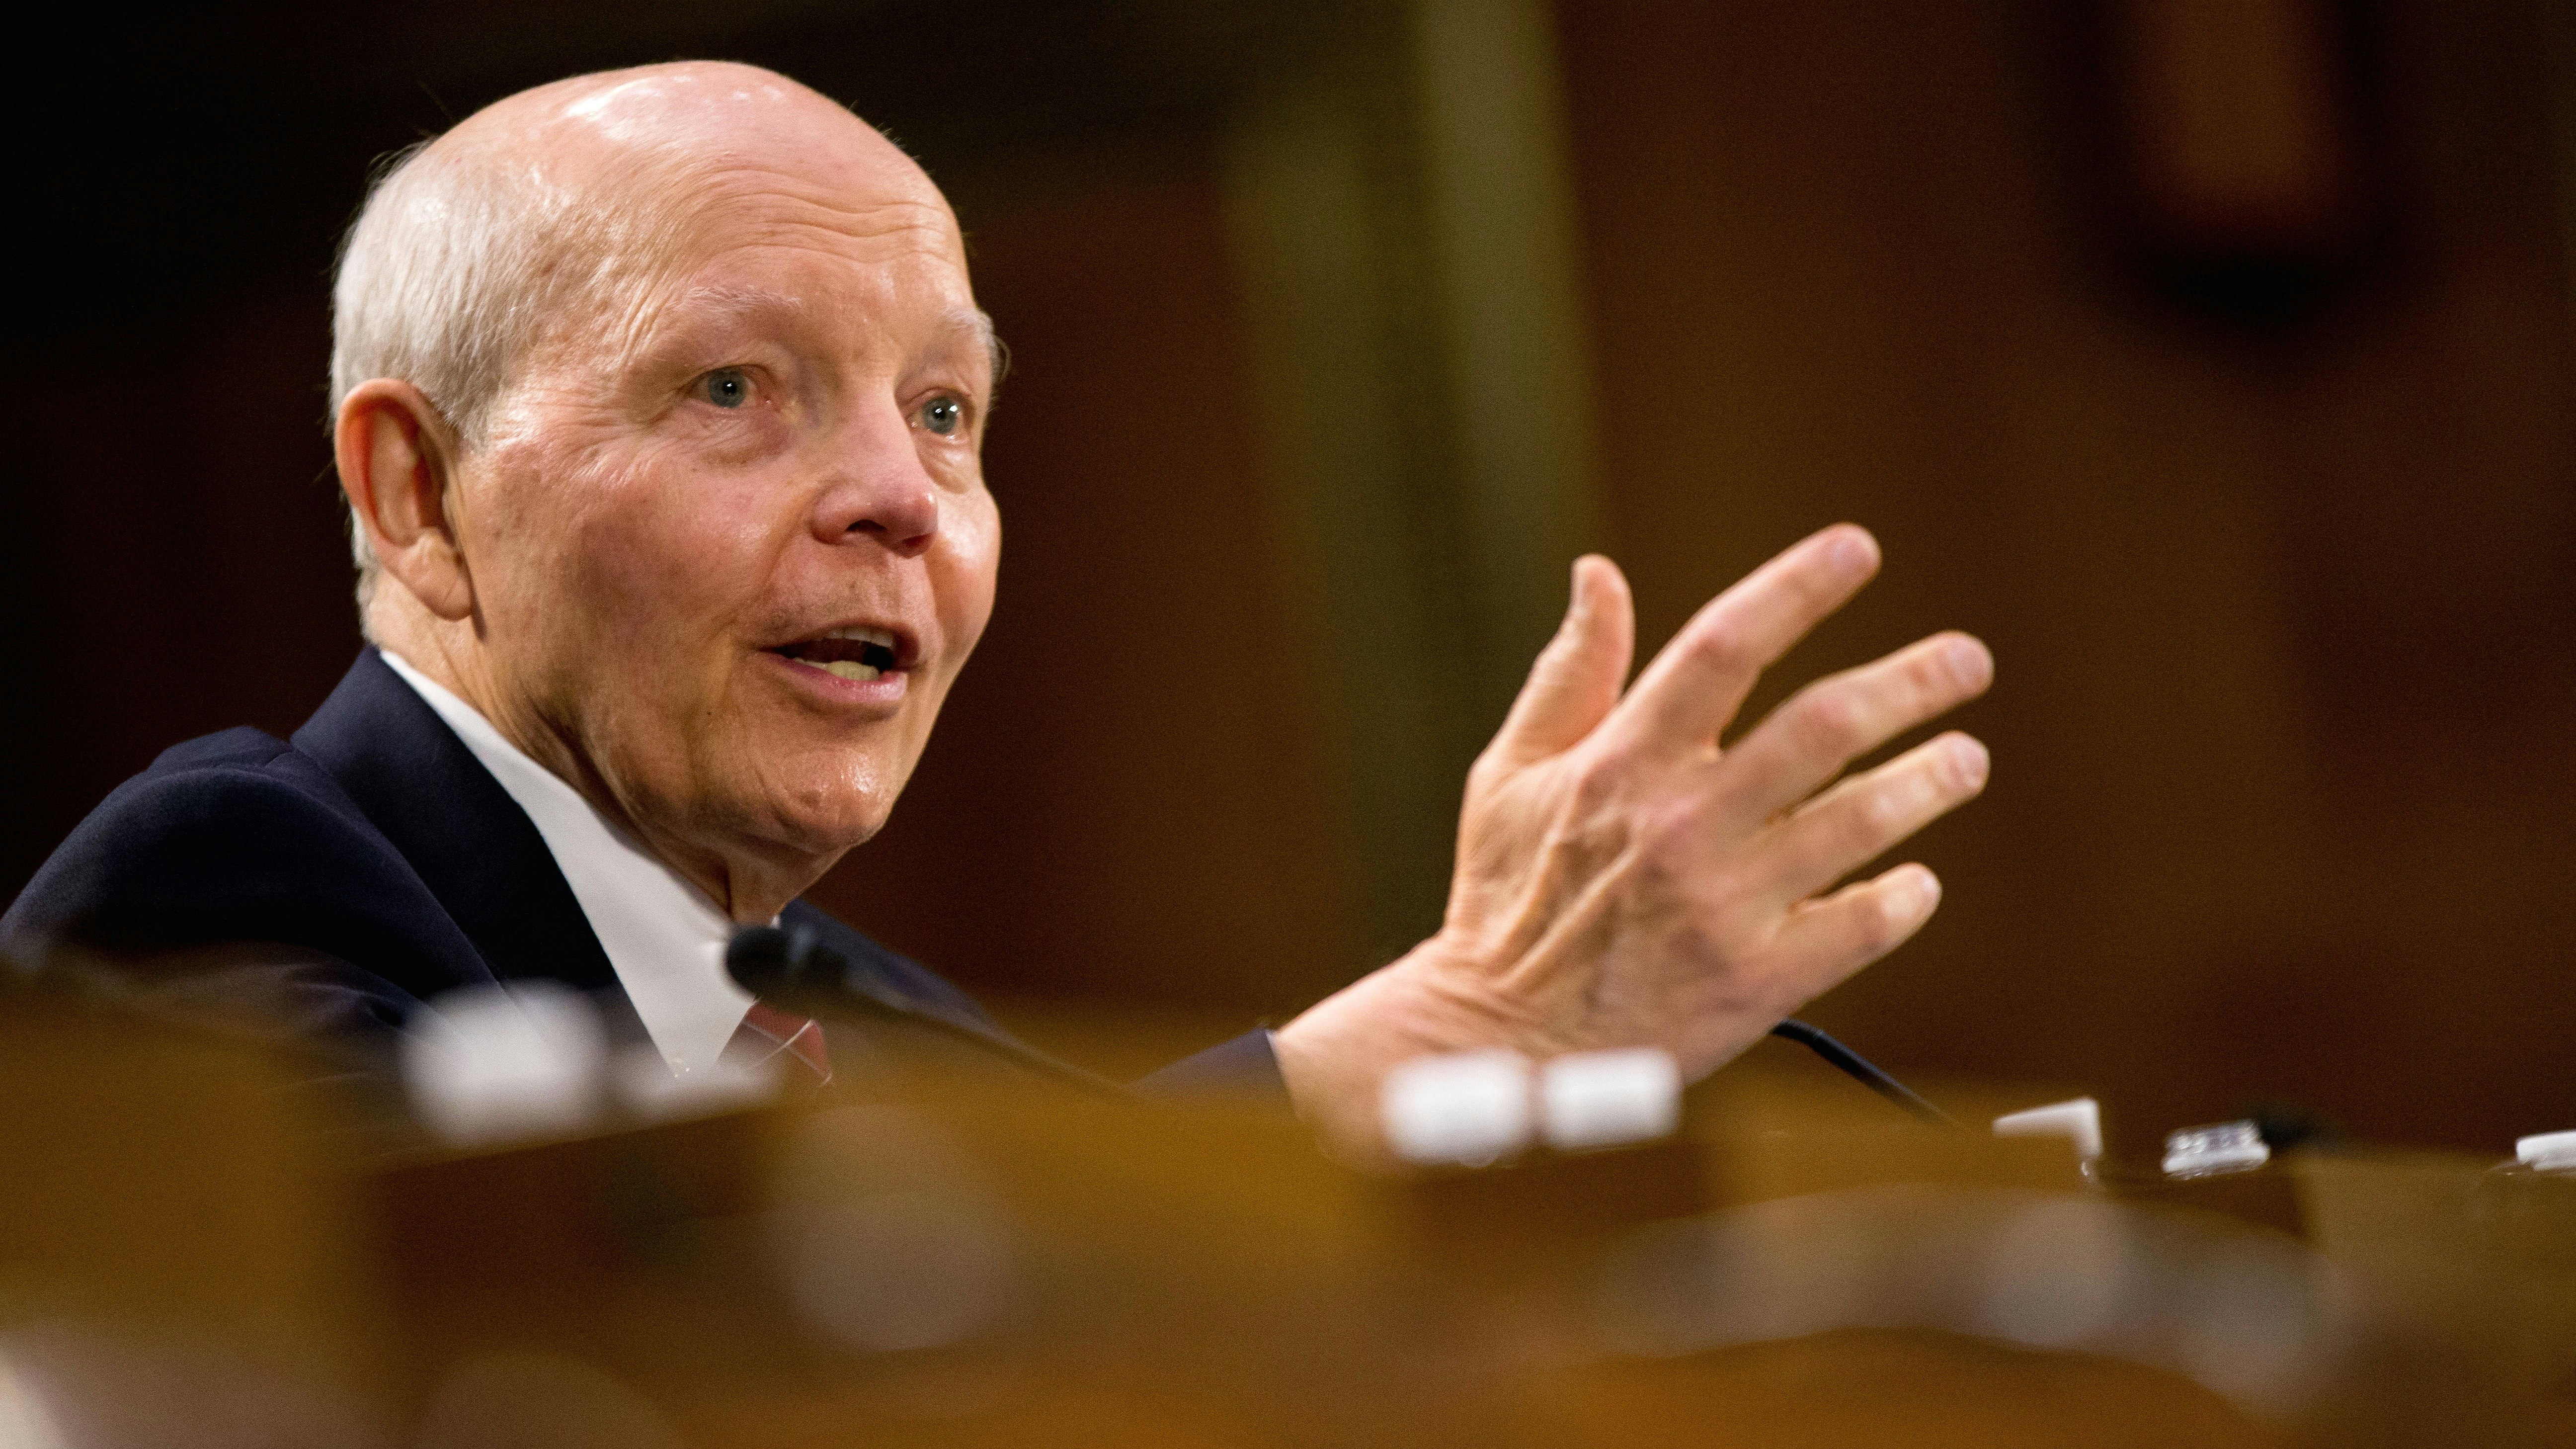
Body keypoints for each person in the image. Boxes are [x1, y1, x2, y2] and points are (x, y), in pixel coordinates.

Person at [0, 62, 1993, 1160]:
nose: (902, 497)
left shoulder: (877, 1032)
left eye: (947, 411)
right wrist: (1461, 1027)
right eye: (734, 389)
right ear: (419, 495)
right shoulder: (224, 885)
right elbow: (625, 1367)